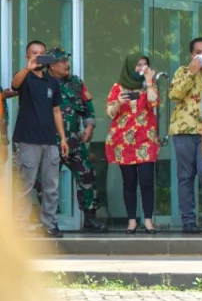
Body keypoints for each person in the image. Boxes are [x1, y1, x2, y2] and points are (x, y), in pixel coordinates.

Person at [11, 42, 70, 237]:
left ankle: (50, 224)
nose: (39, 57)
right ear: (27, 56)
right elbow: (14, 84)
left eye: (42, 54)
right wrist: (28, 67)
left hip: (50, 141)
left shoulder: (52, 82)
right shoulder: (25, 77)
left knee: (51, 186)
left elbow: (56, 110)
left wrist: (62, 138)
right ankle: (20, 227)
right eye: (34, 53)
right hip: (28, 139)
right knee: (25, 185)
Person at [169, 37, 202, 235]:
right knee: (185, 177)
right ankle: (188, 221)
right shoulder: (182, 72)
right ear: (192, 54)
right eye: (198, 51)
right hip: (184, 131)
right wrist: (191, 73)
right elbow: (174, 95)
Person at [105, 55, 160, 235]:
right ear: (130, 67)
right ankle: (131, 221)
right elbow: (110, 113)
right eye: (139, 65)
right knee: (129, 183)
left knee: (146, 181)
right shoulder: (117, 87)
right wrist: (119, 102)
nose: (142, 68)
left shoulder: (148, 85)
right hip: (124, 143)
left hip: (146, 139)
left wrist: (149, 81)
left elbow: (154, 102)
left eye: (145, 65)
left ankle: (149, 221)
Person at [57, 56, 106, 232]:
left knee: (87, 176)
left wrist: (90, 126)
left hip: (73, 140)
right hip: (49, 140)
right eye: (61, 62)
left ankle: (90, 220)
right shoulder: (43, 82)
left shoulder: (76, 82)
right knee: (47, 181)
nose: (66, 65)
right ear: (51, 65)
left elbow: (87, 107)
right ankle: (50, 221)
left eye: (66, 61)